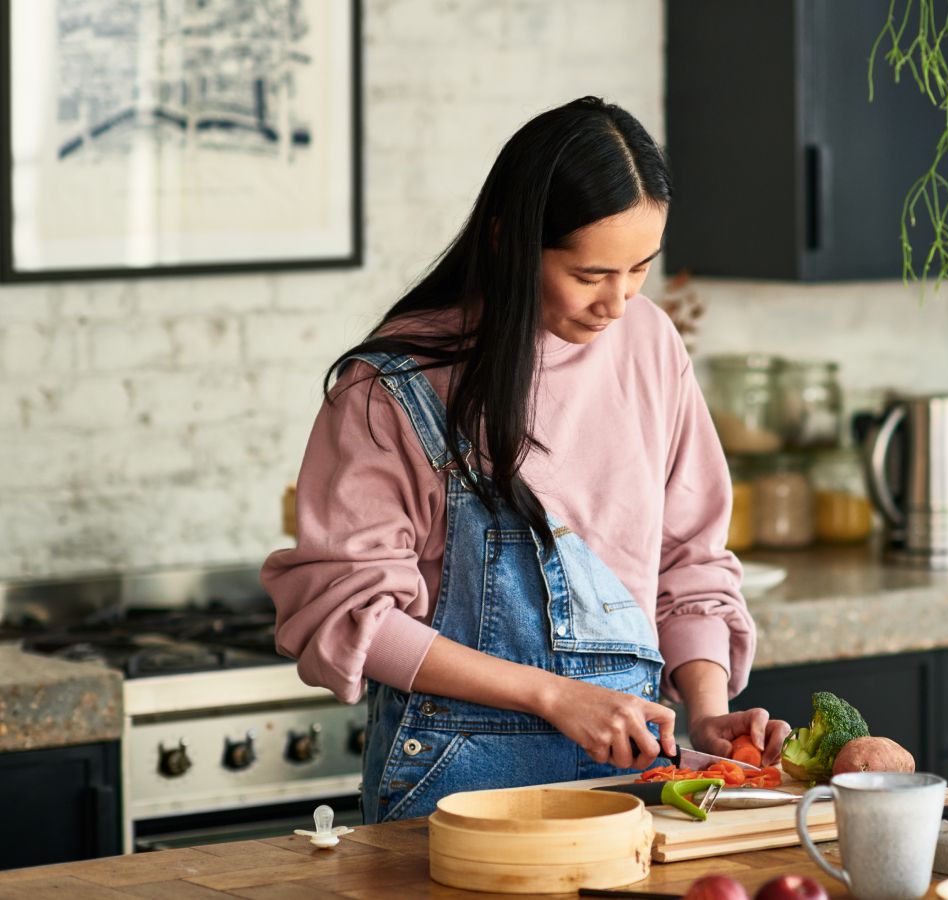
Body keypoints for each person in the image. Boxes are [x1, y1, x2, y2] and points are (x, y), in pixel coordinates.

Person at [261, 97, 787, 823]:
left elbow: (688, 559)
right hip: (458, 793)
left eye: (640, 268)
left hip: (633, 788)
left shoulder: (649, 344)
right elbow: (352, 614)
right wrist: (554, 696)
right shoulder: (395, 385)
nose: (619, 300)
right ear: (511, 241)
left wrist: (707, 711)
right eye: (591, 273)